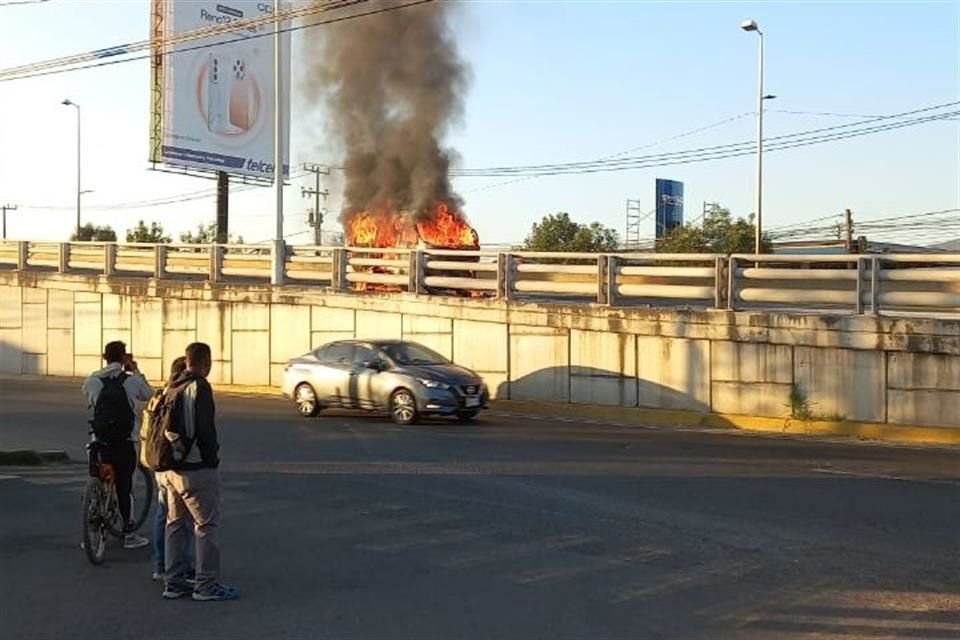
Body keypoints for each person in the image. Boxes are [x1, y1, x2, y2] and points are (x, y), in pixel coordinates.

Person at [162, 342, 238, 601]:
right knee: (205, 525)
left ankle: (174, 581)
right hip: (196, 468)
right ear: (206, 362)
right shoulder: (200, 387)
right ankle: (205, 585)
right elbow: (203, 430)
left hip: (171, 468)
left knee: (175, 524)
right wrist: (211, 458)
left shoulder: (172, 385)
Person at [81, 340, 153, 550]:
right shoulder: (131, 381)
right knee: (125, 485)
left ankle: (91, 530)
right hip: (125, 441)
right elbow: (148, 395)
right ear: (124, 358)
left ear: (104, 357)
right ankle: (129, 535)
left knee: (97, 480)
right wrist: (136, 370)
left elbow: (89, 397)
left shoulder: (92, 380)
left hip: (100, 440)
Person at [149, 356, 194, 581]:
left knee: (163, 514)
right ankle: (179, 566)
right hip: (173, 463)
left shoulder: (160, 394)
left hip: (157, 461)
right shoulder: (179, 395)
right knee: (180, 518)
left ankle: (161, 564)